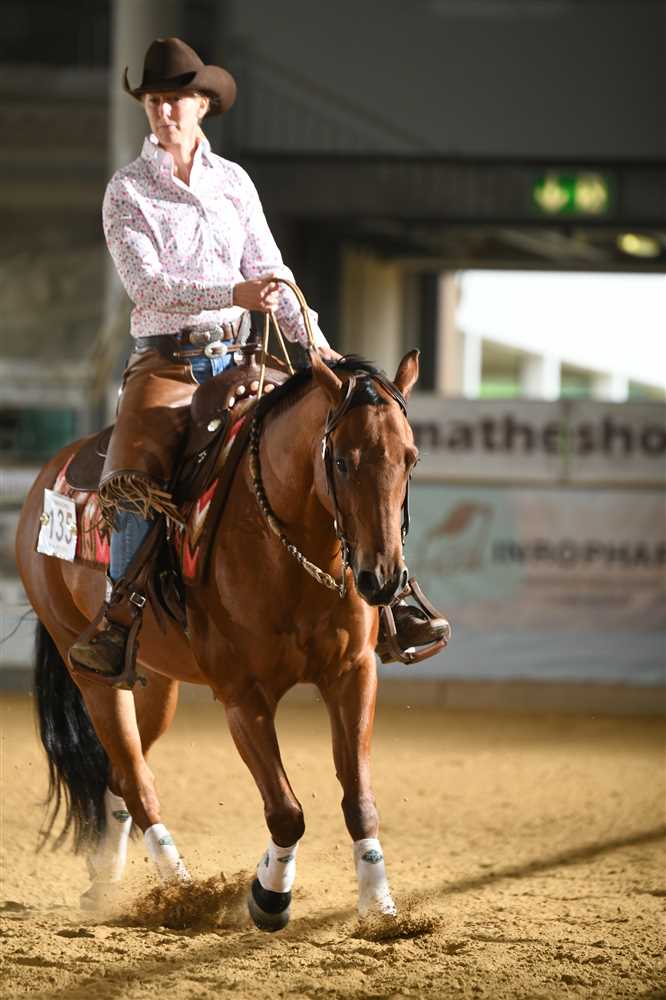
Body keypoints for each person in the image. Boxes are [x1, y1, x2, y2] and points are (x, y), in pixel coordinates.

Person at [69, 38, 446, 679]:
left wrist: (317, 345)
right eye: (154, 100)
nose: (164, 110)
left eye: (176, 99)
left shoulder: (233, 182)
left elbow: (274, 273)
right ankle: (120, 618)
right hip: (167, 365)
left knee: (336, 448)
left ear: (203, 104)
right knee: (133, 477)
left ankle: (389, 599)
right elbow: (148, 287)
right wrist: (233, 294)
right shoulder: (127, 190)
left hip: (245, 359)